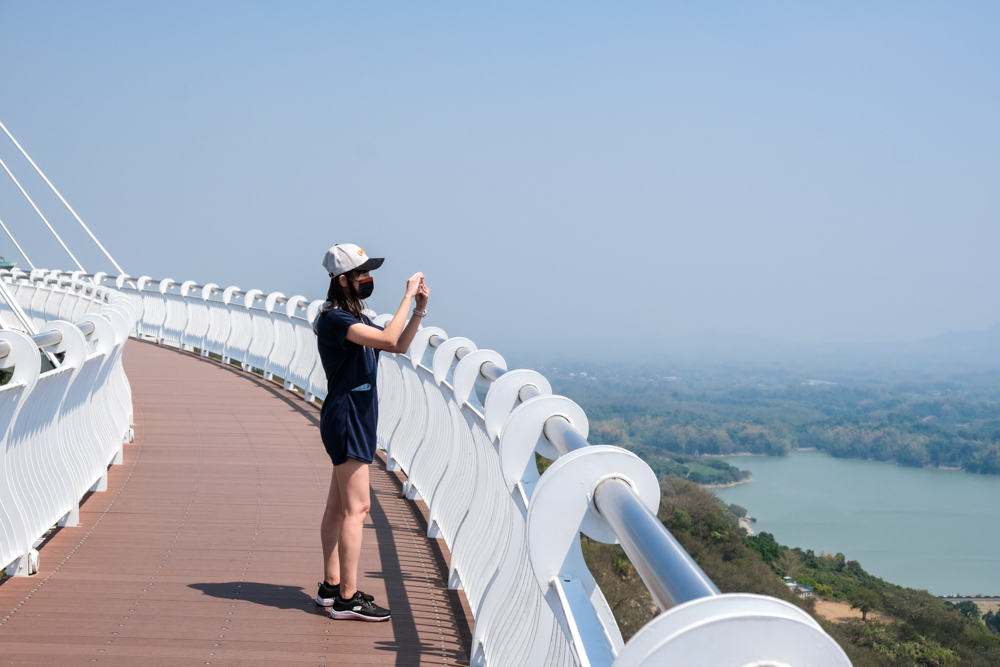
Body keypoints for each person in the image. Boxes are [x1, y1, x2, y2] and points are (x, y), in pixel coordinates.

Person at [312, 243, 429, 622]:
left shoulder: (350, 316)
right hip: (348, 417)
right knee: (358, 509)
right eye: (362, 274)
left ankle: (331, 587)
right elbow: (389, 340)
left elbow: (398, 345)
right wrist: (406, 296)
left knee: (338, 506)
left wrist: (418, 311)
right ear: (343, 280)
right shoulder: (336, 320)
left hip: (352, 415)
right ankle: (347, 597)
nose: (368, 279)